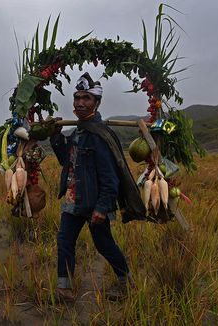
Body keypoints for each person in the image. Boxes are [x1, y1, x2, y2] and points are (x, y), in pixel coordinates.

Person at [50, 72, 140, 302]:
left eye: (86, 98)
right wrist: (56, 137)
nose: (80, 103)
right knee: (64, 241)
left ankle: (126, 282)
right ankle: (64, 290)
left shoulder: (100, 136)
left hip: (94, 203)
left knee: (104, 244)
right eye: (77, 97)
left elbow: (111, 178)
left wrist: (102, 207)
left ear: (97, 102)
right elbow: (66, 161)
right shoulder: (78, 131)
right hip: (73, 199)